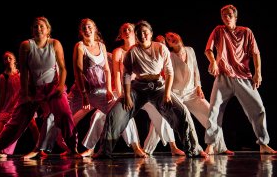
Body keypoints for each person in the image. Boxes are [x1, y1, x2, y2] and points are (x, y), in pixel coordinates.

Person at [93, 20, 207, 159]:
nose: (142, 35)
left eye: (145, 32)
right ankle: (104, 151)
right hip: (138, 87)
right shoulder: (132, 52)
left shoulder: (160, 48)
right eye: (139, 33)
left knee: (182, 112)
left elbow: (169, 72)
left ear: (151, 33)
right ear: (136, 36)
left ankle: (194, 149)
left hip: (158, 87)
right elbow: (126, 75)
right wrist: (127, 96)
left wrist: (166, 94)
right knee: (114, 114)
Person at [0, 16, 81, 160]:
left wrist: (60, 87)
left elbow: (63, 68)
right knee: (15, 124)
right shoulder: (26, 45)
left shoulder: (55, 44)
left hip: (52, 86)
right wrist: (25, 93)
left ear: (48, 29)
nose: (38, 29)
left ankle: (73, 149)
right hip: (33, 88)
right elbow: (24, 72)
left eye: (41, 26)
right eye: (35, 27)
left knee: (64, 115)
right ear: (32, 30)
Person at [204, 4, 277, 155]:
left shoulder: (246, 32)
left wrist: (258, 72)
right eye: (223, 15)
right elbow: (208, 49)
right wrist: (213, 61)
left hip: (243, 77)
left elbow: (256, 53)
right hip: (223, 77)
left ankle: (263, 144)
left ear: (235, 17)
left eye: (229, 15)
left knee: (258, 109)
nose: (226, 17)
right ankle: (211, 145)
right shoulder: (218, 30)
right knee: (214, 110)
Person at [144, 32, 234, 155]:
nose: (171, 39)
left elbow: (196, 69)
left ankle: (220, 147)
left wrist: (198, 86)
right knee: (161, 119)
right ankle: (147, 150)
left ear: (178, 36)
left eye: (172, 36)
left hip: (191, 92)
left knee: (211, 115)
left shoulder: (190, 50)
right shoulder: (169, 56)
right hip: (175, 93)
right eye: (168, 40)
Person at [68, 18, 147, 157]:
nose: (87, 30)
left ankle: (136, 146)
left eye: (90, 27)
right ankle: (46, 147)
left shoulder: (103, 46)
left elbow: (106, 69)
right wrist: (87, 95)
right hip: (86, 90)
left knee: (122, 111)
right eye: (84, 28)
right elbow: (80, 72)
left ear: (95, 29)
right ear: (81, 31)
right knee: (62, 116)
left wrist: (109, 89)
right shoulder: (81, 46)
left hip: (108, 90)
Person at [112, 23, 184, 156]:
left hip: (149, 89)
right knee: (125, 114)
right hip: (132, 89)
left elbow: (163, 69)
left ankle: (173, 146)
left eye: (130, 29)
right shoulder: (120, 52)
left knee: (161, 114)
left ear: (135, 33)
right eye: (124, 30)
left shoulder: (147, 46)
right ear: (120, 34)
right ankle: (136, 148)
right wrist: (122, 94)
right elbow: (119, 75)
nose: (127, 31)